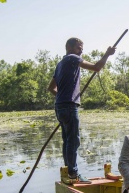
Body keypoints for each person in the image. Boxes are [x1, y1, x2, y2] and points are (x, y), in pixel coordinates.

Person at [48, 37, 115, 184]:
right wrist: (107, 54)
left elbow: (51, 88)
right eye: (79, 47)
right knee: (73, 141)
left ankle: (68, 171)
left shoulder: (60, 64)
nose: (81, 50)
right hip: (69, 106)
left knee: (67, 141)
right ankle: (73, 174)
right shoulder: (72, 58)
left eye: (82, 47)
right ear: (69, 47)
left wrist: (62, 95)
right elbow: (97, 67)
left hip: (60, 106)